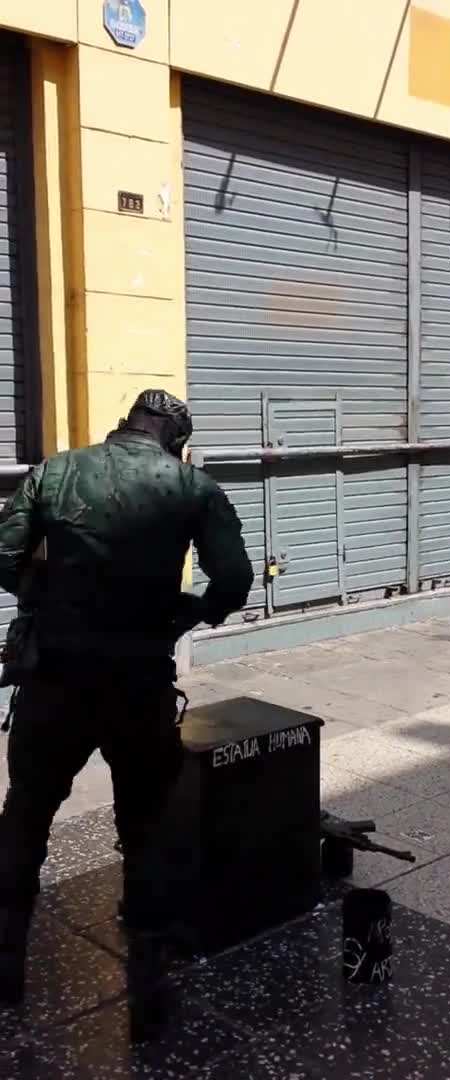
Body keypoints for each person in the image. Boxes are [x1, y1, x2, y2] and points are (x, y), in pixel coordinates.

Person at [0, 389, 253, 1038]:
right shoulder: (193, 487)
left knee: (25, 816)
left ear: (123, 427)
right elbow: (232, 580)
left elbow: (3, 555)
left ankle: (5, 970)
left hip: (53, 682)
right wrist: (182, 616)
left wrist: (45, 594)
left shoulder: (55, 471)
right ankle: (149, 996)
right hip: (138, 686)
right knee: (145, 831)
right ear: (177, 441)